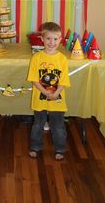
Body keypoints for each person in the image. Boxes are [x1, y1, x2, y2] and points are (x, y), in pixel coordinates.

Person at [27, 22, 71, 160]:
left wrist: (56, 93)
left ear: (60, 40)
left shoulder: (62, 59)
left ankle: (59, 148)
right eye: (48, 39)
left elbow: (63, 80)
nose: (52, 42)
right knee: (38, 124)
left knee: (57, 125)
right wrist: (45, 92)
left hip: (57, 99)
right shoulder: (36, 58)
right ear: (42, 39)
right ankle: (35, 147)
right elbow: (34, 79)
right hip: (40, 98)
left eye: (55, 39)